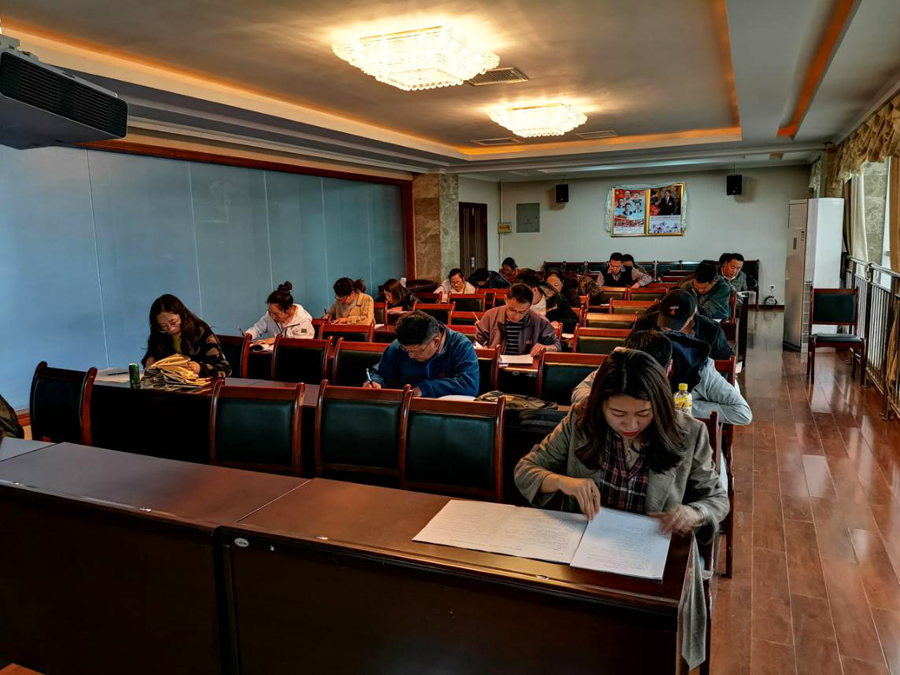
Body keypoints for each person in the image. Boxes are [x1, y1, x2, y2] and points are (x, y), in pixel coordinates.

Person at [515, 349, 728, 671]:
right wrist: (562, 482)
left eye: (643, 413)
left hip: (654, 561)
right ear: (600, 404)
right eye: (617, 413)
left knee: (648, 652)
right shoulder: (581, 421)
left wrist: (693, 513)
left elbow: (717, 499)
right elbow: (525, 469)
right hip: (587, 555)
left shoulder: (689, 433)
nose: (631, 424)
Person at [572, 331, 751, 425]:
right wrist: (611, 402)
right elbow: (580, 391)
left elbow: (742, 413)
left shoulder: (701, 371)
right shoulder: (621, 359)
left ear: (669, 368)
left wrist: (671, 406)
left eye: (651, 377)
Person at [365, 311, 478, 397]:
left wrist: (424, 389)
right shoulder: (399, 346)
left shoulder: (460, 345)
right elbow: (380, 373)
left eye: (416, 351)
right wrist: (375, 381)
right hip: (408, 407)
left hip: (446, 411)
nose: (410, 356)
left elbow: (469, 384)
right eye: (406, 350)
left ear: (436, 342)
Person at [142, 294, 231, 377]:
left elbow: (225, 369)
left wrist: (200, 368)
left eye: (173, 322)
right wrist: (149, 359)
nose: (171, 329)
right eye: (163, 326)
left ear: (182, 314)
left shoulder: (200, 332)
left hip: (200, 386)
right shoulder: (161, 334)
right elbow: (151, 360)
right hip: (170, 386)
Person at [636, 289, 733, 360]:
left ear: (691, 316)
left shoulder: (711, 330)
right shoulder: (645, 323)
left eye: (675, 322)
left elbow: (724, 360)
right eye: (665, 319)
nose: (668, 327)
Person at [475, 283, 561, 356]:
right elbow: (478, 341)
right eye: (511, 310)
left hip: (527, 367)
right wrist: (483, 348)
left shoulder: (539, 321)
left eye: (522, 312)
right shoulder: (490, 315)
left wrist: (546, 348)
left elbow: (557, 346)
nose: (516, 316)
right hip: (496, 364)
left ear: (530, 305)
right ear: (505, 299)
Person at [244, 281, 314, 344]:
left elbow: (299, 345)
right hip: (272, 353)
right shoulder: (270, 315)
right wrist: (248, 335)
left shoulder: (303, 322)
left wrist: (275, 340)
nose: (272, 316)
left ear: (288, 310)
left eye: (275, 314)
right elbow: (257, 329)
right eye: (269, 312)